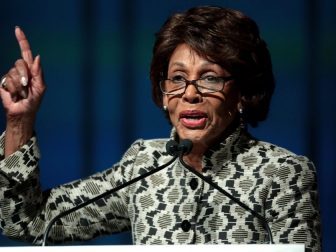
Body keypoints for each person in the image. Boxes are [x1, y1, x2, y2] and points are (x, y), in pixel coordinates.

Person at [0, 5, 321, 252]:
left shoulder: (283, 174)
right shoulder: (144, 163)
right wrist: (19, 121)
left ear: (242, 94)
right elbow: (27, 221)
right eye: (177, 78)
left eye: (210, 78)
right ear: (164, 94)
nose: (190, 93)